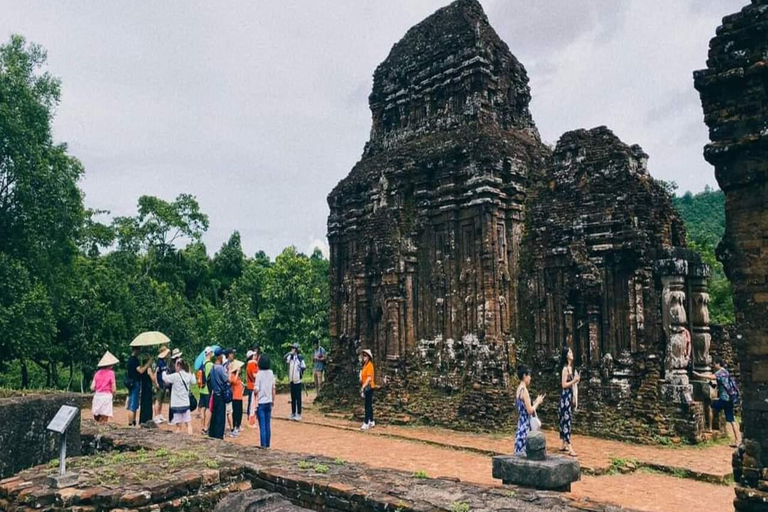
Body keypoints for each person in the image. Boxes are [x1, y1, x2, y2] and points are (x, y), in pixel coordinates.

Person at [695, 357, 741, 447]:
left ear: (718, 364)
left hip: (724, 399)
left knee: (711, 407)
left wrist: (699, 375)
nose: (713, 365)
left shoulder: (720, 372)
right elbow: (718, 384)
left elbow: (711, 377)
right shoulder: (726, 372)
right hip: (729, 399)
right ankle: (737, 440)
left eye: (715, 364)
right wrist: (711, 384)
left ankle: (710, 428)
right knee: (732, 420)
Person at [514, 365, 545, 456]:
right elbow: (530, 411)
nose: (530, 378)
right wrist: (538, 402)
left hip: (521, 425)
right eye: (529, 375)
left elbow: (524, 407)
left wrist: (534, 402)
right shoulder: (524, 391)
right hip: (526, 427)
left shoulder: (519, 390)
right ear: (524, 376)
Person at [164, 358, 196, 435]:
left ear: (178, 365)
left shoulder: (175, 376)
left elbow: (165, 378)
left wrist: (163, 372)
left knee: (178, 426)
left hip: (176, 404)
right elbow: (194, 381)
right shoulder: (188, 375)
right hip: (185, 403)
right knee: (188, 424)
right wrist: (191, 372)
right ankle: (190, 437)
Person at [250, 354, 276, 448]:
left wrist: (255, 392)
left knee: (262, 426)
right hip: (269, 402)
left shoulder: (259, 374)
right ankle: (268, 445)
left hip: (261, 403)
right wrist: (273, 399)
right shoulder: (271, 373)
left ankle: (263, 446)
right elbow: (273, 388)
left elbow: (256, 389)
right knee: (268, 425)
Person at [558, 346, 580, 457]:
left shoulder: (571, 368)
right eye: (570, 352)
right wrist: (574, 381)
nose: (572, 353)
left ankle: (563, 444)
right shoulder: (565, 369)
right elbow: (563, 385)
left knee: (566, 419)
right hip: (565, 397)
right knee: (566, 420)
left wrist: (574, 397)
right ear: (566, 355)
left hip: (569, 396)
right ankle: (569, 446)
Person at [91, 351, 119, 423]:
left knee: (97, 417)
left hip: (97, 396)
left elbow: (92, 387)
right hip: (106, 396)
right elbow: (114, 388)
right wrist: (114, 394)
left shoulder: (97, 373)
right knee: (104, 418)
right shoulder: (111, 373)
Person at [208, 348, 230, 439]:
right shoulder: (220, 368)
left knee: (214, 414)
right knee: (220, 417)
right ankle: (219, 435)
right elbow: (227, 379)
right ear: (220, 356)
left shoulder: (212, 367)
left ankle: (212, 433)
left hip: (215, 394)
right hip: (220, 395)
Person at [126, 346, 149, 426]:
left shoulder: (131, 359)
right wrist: (148, 364)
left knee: (134, 403)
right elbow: (141, 370)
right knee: (133, 403)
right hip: (135, 382)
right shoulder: (133, 360)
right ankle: (130, 422)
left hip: (133, 382)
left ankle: (133, 421)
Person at [285, 343, 306, 421]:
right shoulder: (290, 357)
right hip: (292, 380)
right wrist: (289, 353)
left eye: (293, 349)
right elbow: (284, 358)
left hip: (297, 381)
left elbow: (304, 367)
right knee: (293, 398)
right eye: (292, 348)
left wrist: (300, 371)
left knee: (298, 398)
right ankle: (293, 412)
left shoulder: (300, 358)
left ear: (296, 350)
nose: (292, 350)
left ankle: (299, 413)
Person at [153, 347, 171, 423]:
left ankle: (160, 414)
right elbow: (155, 373)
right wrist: (156, 382)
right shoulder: (159, 362)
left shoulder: (164, 362)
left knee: (161, 400)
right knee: (158, 400)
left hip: (164, 384)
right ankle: (156, 416)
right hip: (159, 383)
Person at [198, 346, 213, 434]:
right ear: (210, 353)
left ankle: (202, 427)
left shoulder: (202, 363)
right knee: (208, 408)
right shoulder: (210, 364)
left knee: (202, 408)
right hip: (207, 390)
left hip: (201, 389)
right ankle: (206, 427)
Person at [138, 353, 156, 425]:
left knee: (143, 402)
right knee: (148, 403)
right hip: (148, 387)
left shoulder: (142, 368)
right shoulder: (148, 369)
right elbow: (152, 378)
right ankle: (148, 419)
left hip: (143, 387)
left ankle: (142, 419)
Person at [360, 349, 375, 431]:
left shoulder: (370, 365)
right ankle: (371, 421)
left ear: (369, 357)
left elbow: (369, 378)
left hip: (369, 387)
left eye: (365, 356)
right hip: (366, 386)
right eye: (363, 356)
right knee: (368, 404)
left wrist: (363, 387)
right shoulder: (364, 365)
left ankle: (366, 423)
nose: (364, 357)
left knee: (367, 405)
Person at [229, 359, 245, 437]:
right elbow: (233, 381)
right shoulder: (233, 375)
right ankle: (235, 426)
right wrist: (237, 372)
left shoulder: (238, 376)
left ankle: (238, 425)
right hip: (235, 396)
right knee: (235, 412)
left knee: (240, 411)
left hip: (239, 396)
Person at [245, 348, 259, 427]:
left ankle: (249, 419)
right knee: (252, 404)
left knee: (251, 403)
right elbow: (254, 375)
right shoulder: (252, 363)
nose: (255, 356)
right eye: (254, 355)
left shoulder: (249, 364)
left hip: (250, 385)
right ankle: (251, 421)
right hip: (253, 386)